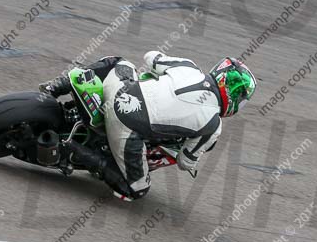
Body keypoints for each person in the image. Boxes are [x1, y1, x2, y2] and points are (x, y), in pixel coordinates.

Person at [40, 51, 257, 200]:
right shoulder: (212, 125)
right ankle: (72, 149)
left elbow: (151, 57)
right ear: (236, 101)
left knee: (119, 62)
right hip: (126, 128)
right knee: (138, 190)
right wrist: (192, 161)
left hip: (119, 91)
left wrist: (163, 76)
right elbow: (184, 161)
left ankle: (58, 84)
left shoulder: (187, 67)